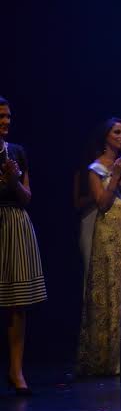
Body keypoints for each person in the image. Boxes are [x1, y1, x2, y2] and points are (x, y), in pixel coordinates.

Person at [76, 118, 121, 376]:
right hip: (107, 231)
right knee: (109, 290)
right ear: (106, 137)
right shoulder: (95, 168)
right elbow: (101, 203)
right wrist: (115, 180)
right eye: (117, 132)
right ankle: (107, 358)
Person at [0, 96, 47, 394]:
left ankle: (16, 371)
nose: (5, 121)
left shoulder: (16, 152)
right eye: (0, 116)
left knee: (17, 304)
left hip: (14, 223)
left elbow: (27, 197)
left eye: (7, 116)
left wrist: (14, 180)